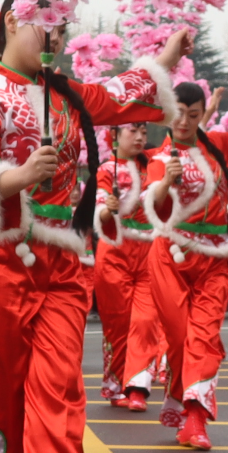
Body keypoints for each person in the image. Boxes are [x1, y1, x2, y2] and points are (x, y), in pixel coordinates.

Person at [0, 0, 180, 453]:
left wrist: (165, 58)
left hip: (63, 259)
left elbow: (125, 93)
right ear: (8, 23)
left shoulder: (70, 96)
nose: (53, 32)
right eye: (40, 21)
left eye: (60, 23)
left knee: (59, 382)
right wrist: (18, 176)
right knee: (2, 394)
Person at [133, 85, 228, 451]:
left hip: (217, 257)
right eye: (179, 113)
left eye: (194, 115)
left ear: (203, 114)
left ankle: (195, 418)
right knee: (178, 338)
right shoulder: (161, 157)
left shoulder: (221, 145)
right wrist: (165, 184)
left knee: (202, 337)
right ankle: (179, 399)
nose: (185, 122)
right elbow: (150, 201)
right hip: (170, 255)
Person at [91, 119, 156, 410]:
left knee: (145, 321)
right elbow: (100, 212)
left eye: (144, 132)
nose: (140, 137)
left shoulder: (153, 166)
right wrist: (108, 210)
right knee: (117, 325)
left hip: (149, 253)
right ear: (114, 135)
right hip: (114, 251)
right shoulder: (105, 170)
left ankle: (137, 389)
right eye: (134, 131)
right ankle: (116, 383)